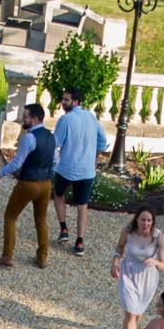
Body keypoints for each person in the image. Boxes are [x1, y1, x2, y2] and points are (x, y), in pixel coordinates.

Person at [0, 103, 57, 269]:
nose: (23, 120)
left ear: (34, 119)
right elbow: (57, 161)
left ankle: (7, 256)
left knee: (10, 216)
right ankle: (42, 256)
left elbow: (16, 163)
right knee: (41, 220)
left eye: (26, 117)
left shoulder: (29, 138)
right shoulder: (51, 136)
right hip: (46, 184)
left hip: (29, 183)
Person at [51, 87, 108, 256]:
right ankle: (80, 241)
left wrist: (53, 160)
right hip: (87, 170)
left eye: (66, 100)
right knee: (82, 206)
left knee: (58, 195)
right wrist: (94, 158)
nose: (63, 102)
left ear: (75, 102)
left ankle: (63, 229)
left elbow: (55, 143)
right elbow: (103, 141)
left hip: (66, 167)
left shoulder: (65, 120)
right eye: (63, 99)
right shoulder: (92, 117)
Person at [111, 206, 164, 329]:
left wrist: (155, 261)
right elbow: (119, 248)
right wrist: (115, 262)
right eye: (143, 219)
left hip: (147, 277)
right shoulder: (128, 231)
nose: (146, 223)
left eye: (149, 220)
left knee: (137, 312)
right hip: (128, 272)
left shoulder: (159, 237)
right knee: (130, 311)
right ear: (137, 219)